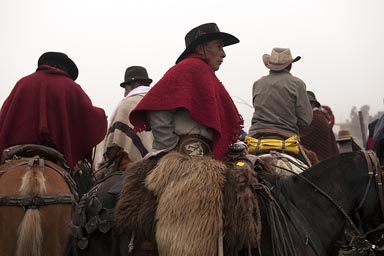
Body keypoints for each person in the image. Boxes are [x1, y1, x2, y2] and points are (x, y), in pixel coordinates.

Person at [129, 22, 243, 161]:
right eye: (219, 47)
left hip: (203, 154)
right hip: (189, 156)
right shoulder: (190, 68)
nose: (223, 54)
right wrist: (169, 150)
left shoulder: (202, 71)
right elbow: (157, 106)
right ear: (201, 48)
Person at [0, 51, 107, 168]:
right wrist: (102, 116)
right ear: (66, 69)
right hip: (56, 152)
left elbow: (5, 116)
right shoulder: (71, 87)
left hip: (17, 152)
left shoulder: (23, 83)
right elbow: (88, 117)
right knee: (84, 181)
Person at [247, 47, 313, 164]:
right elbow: (305, 120)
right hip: (287, 138)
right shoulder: (297, 84)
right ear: (290, 65)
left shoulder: (257, 83)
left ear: (269, 65)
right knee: (312, 175)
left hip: (255, 139)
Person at [96, 66, 154, 179]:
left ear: (136, 85)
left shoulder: (126, 104)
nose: (125, 93)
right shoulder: (160, 100)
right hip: (164, 165)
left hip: (133, 169)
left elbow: (113, 146)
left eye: (126, 88)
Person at [300, 91, 339, 160]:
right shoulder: (318, 117)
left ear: (312, 104)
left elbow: (302, 141)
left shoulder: (315, 119)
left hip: (321, 165)